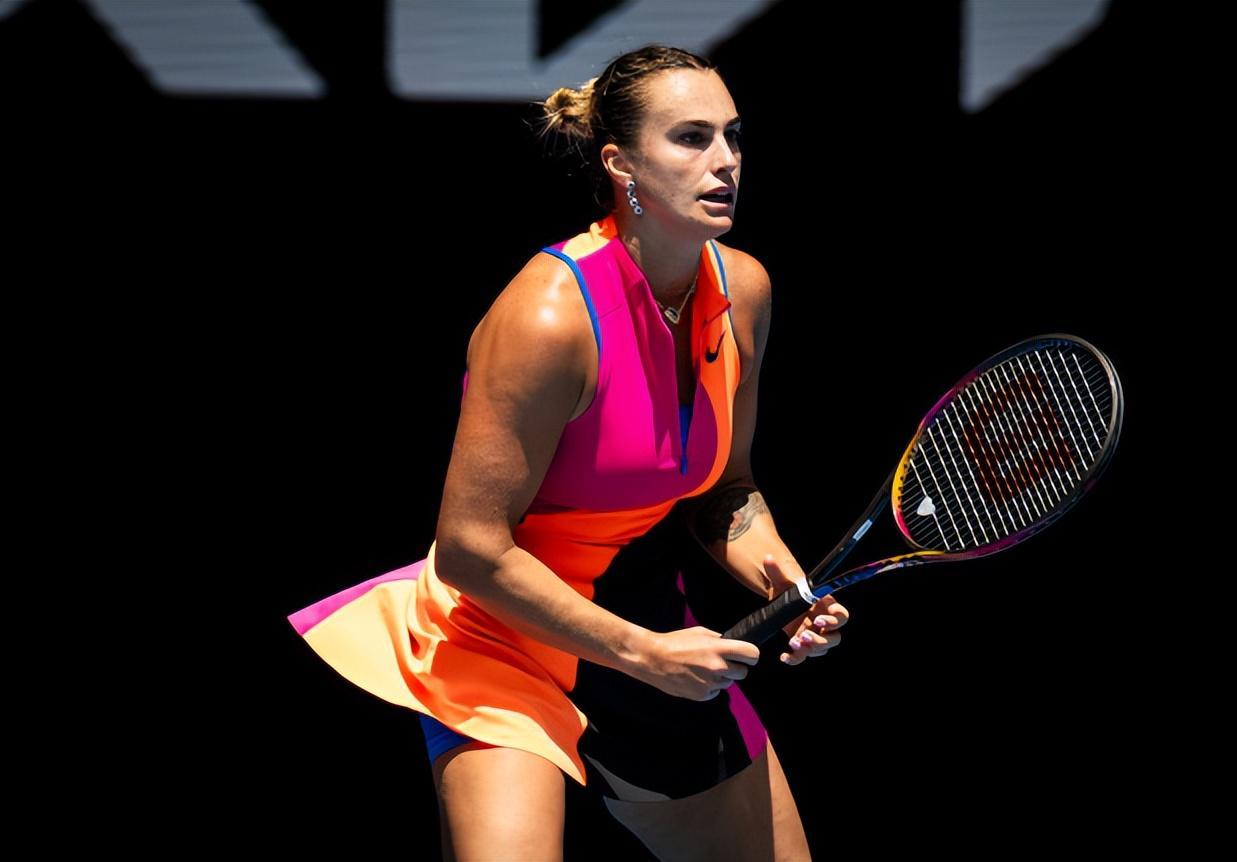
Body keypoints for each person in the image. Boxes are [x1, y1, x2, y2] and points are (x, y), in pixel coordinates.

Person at [286, 43, 850, 861]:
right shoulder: (550, 317)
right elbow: (470, 547)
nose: (726, 160)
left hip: (642, 619)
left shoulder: (745, 293)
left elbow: (726, 491)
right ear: (621, 164)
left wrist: (784, 583)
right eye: (691, 138)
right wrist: (642, 653)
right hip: (499, 634)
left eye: (733, 135)